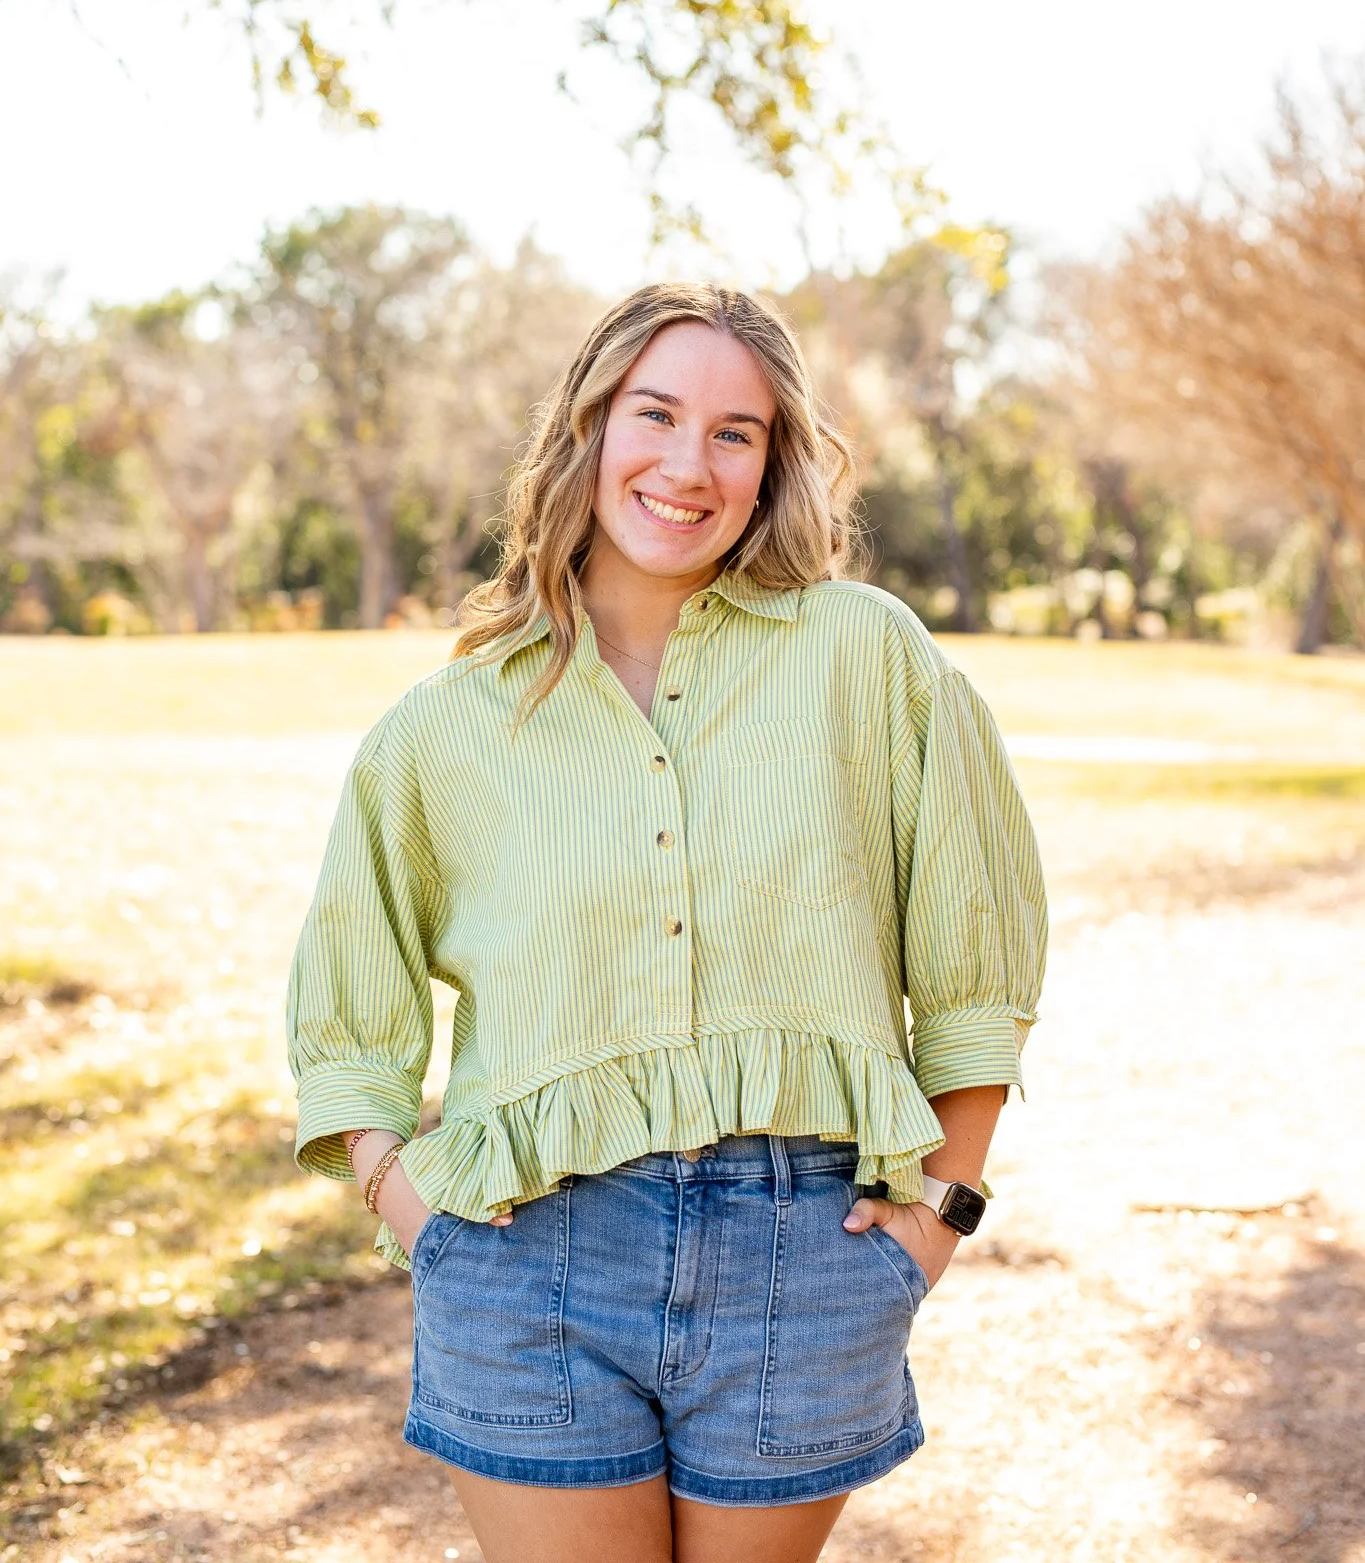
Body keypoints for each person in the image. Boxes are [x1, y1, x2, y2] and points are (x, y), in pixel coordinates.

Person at [287, 283, 1047, 1563]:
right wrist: (414, 1214)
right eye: (655, 414)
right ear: (587, 426)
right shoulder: (443, 728)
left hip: (804, 1256)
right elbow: (349, 1024)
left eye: (734, 432)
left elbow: (977, 963)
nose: (688, 465)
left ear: (772, 462)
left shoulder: (869, 658)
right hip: (528, 1264)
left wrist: (937, 1216)